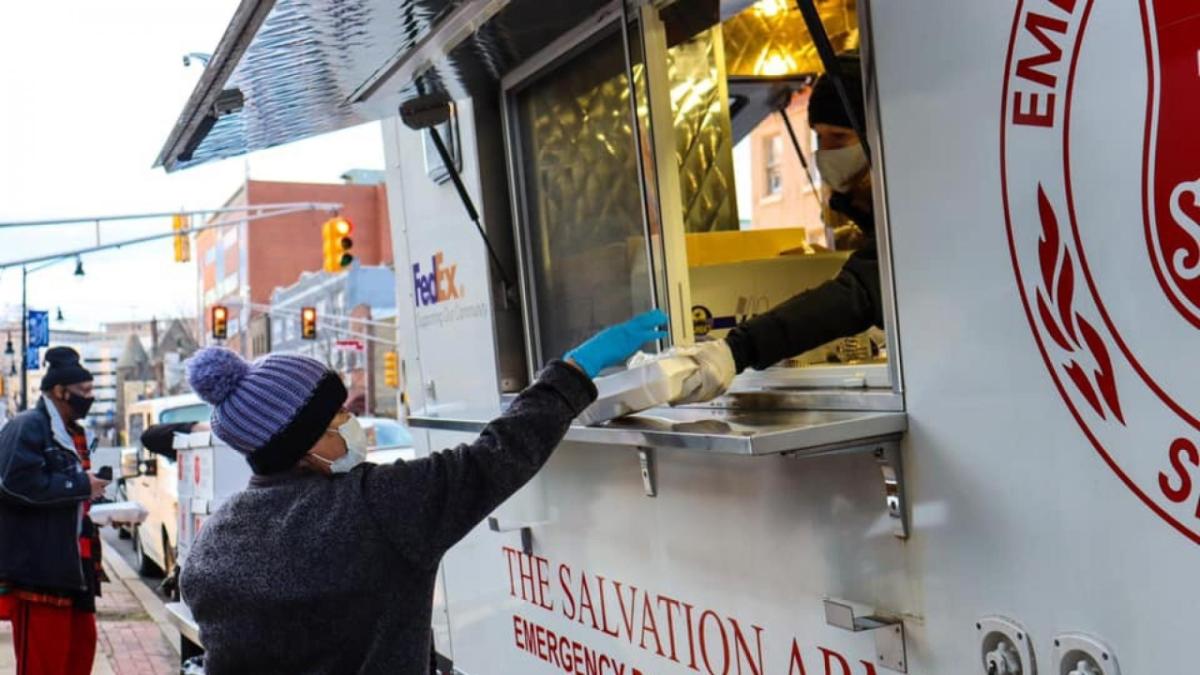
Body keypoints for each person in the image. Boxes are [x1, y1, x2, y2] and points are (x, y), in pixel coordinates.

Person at [179, 310, 668, 674]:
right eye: (336, 419)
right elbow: (496, 455)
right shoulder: (373, 507)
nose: (352, 425)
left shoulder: (210, 549)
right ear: (302, 447)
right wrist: (576, 370)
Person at [678, 55, 883, 402]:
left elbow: (858, 294)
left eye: (839, 137)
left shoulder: (914, 211)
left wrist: (737, 349)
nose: (825, 153)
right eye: (819, 138)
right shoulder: (872, 216)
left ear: (877, 137)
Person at [0, 346, 109, 675]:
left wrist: (95, 500)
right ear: (61, 391)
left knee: (78, 656)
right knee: (44, 665)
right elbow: (15, 484)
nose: (89, 398)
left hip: (75, 567)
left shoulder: (72, 433)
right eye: (85, 391)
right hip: (40, 573)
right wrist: (80, 487)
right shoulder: (28, 427)